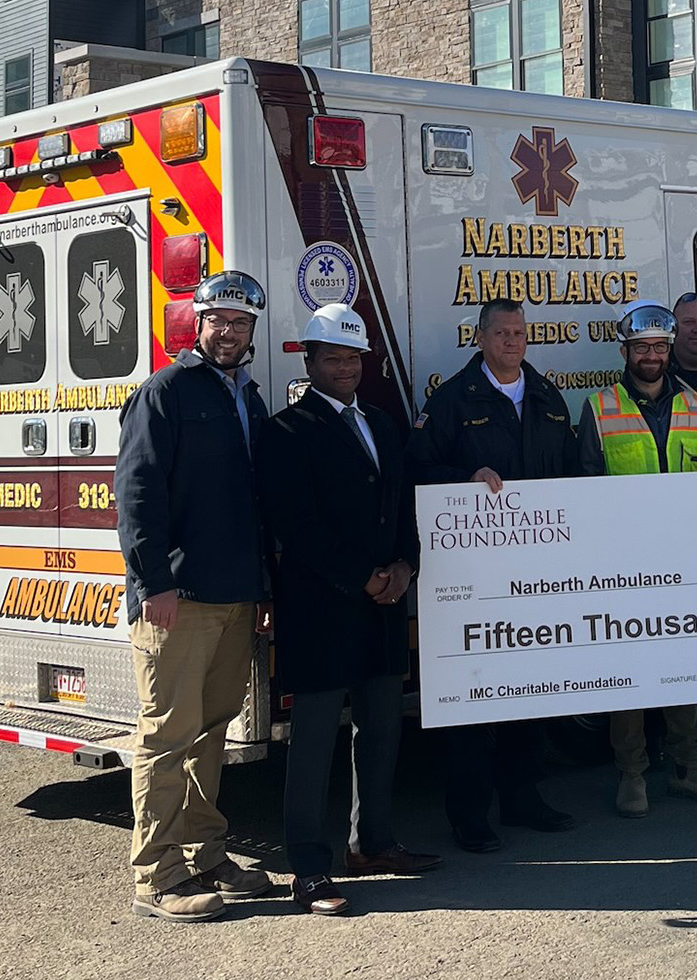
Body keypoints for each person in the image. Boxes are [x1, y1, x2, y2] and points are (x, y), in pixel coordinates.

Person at [257, 304, 442, 916]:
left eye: (353, 358)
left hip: (382, 606)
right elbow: (297, 526)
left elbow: (403, 506)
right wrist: (363, 576)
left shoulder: (382, 425)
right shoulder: (287, 431)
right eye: (333, 358)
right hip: (322, 611)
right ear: (309, 362)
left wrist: (406, 566)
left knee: (381, 730)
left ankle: (373, 844)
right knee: (312, 744)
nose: (345, 368)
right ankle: (309, 870)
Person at [115, 270, 274, 921]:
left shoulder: (249, 398)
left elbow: (257, 504)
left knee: (211, 733)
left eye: (240, 323)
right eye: (218, 321)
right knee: (167, 736)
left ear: (252, 329)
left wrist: (263, 589)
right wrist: (154, 582)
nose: (228, 332)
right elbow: (138, 494)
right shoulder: (165, 392)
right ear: (198, 324)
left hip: (235, 596)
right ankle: (155, 876)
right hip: (177, 599)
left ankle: (204, 852)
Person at [405, 297, 580, 852]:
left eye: (519, 333)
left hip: (537, 572)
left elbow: (572, 472)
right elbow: (417, 468)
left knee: (529, 689)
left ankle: (523, 798)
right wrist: (464, 478)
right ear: (479, 337)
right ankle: (470, 814)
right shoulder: (452, 400)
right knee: (473, 695)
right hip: (472, 577)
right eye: (501, 333)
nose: (511, 342)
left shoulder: (548, 397)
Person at [578, 300, 697, 818]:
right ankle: (632, 775)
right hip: (623, 566)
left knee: (683, 670)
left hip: (686, 562)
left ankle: (689, 769)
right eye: (641, 347)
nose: (651, 356)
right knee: (629, 674)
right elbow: (583, 490)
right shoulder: (599, 408)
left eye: (659, 347)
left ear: (669, 350)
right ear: (625, 351)